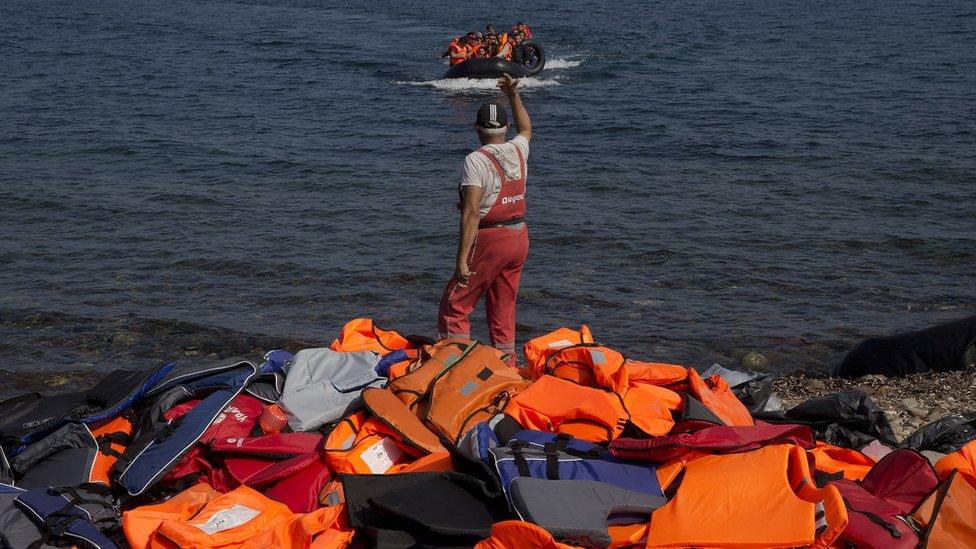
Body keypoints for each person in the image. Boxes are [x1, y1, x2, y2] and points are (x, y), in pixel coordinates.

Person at [438, 74, 532, 366]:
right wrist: (513, 94)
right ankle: (506, 367)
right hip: (519, 237)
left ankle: (454, 367)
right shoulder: (518, 148)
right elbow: (526, 128)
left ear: (477, 128)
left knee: (455, 303)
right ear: (505, 128)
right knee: (503, 305)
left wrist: (462, 259)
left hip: (491, 238)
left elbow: (471, 211)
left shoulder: (475, 160)